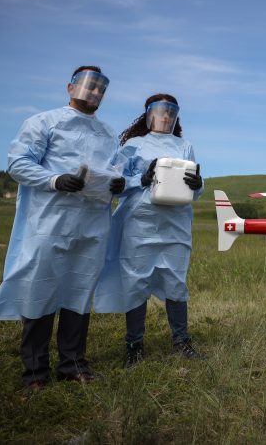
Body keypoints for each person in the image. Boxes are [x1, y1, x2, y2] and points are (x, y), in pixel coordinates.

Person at [0, 65, 126, 391]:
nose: (94, 93)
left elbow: (117, 171)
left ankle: (73, 364)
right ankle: (35, 373)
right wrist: (54, 180)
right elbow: (19, 163)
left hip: (92, 225)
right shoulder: (44, 122)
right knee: (41, 292)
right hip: (51, 221)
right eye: (88, 86)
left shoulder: (107, 133)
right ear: (70, 88)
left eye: (100, 89)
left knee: (78, 293)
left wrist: (120, 183)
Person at [95, 94, 205, 366]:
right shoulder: (134, 145)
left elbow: (196, 189)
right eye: (160, 111)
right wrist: (139, 179)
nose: (165, 116)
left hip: (176, 224)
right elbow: (115, 181)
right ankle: (134, 346)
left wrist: (198, 184)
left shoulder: (185, 146)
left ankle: (182, 341)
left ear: (176, 116)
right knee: (136, 281)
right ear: (148, 115)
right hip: (141, 223)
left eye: (171, 112)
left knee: (176, 281)